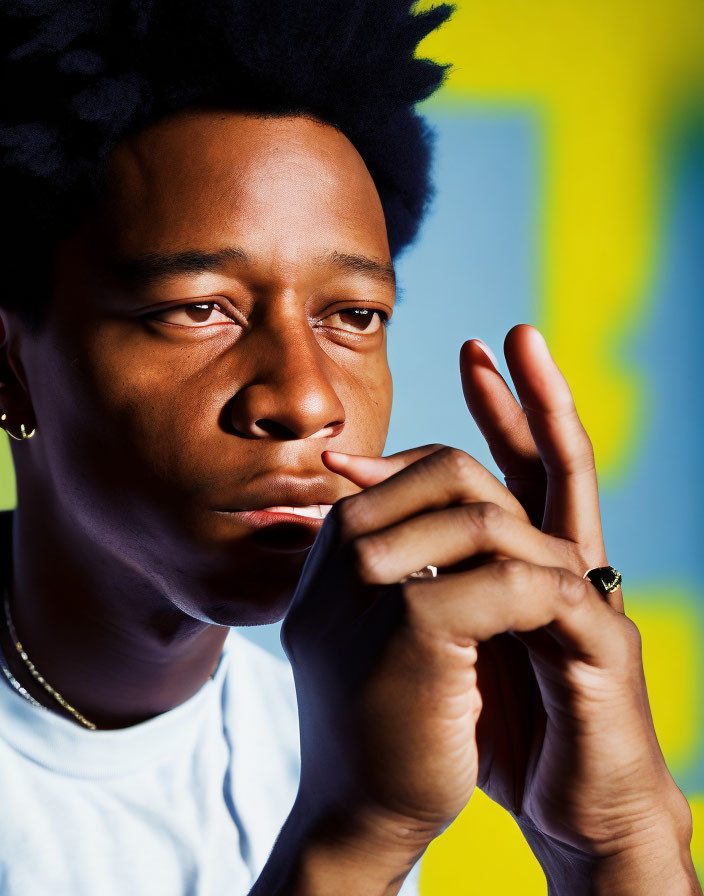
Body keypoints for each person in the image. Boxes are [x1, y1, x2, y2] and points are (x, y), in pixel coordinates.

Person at [0, 1, 699, 894]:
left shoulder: (349, 726)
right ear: (8, 365)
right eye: (198, 308)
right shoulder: (368, 780)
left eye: (353, 317)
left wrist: (619, 837)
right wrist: (360, 838)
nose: (306, 400)